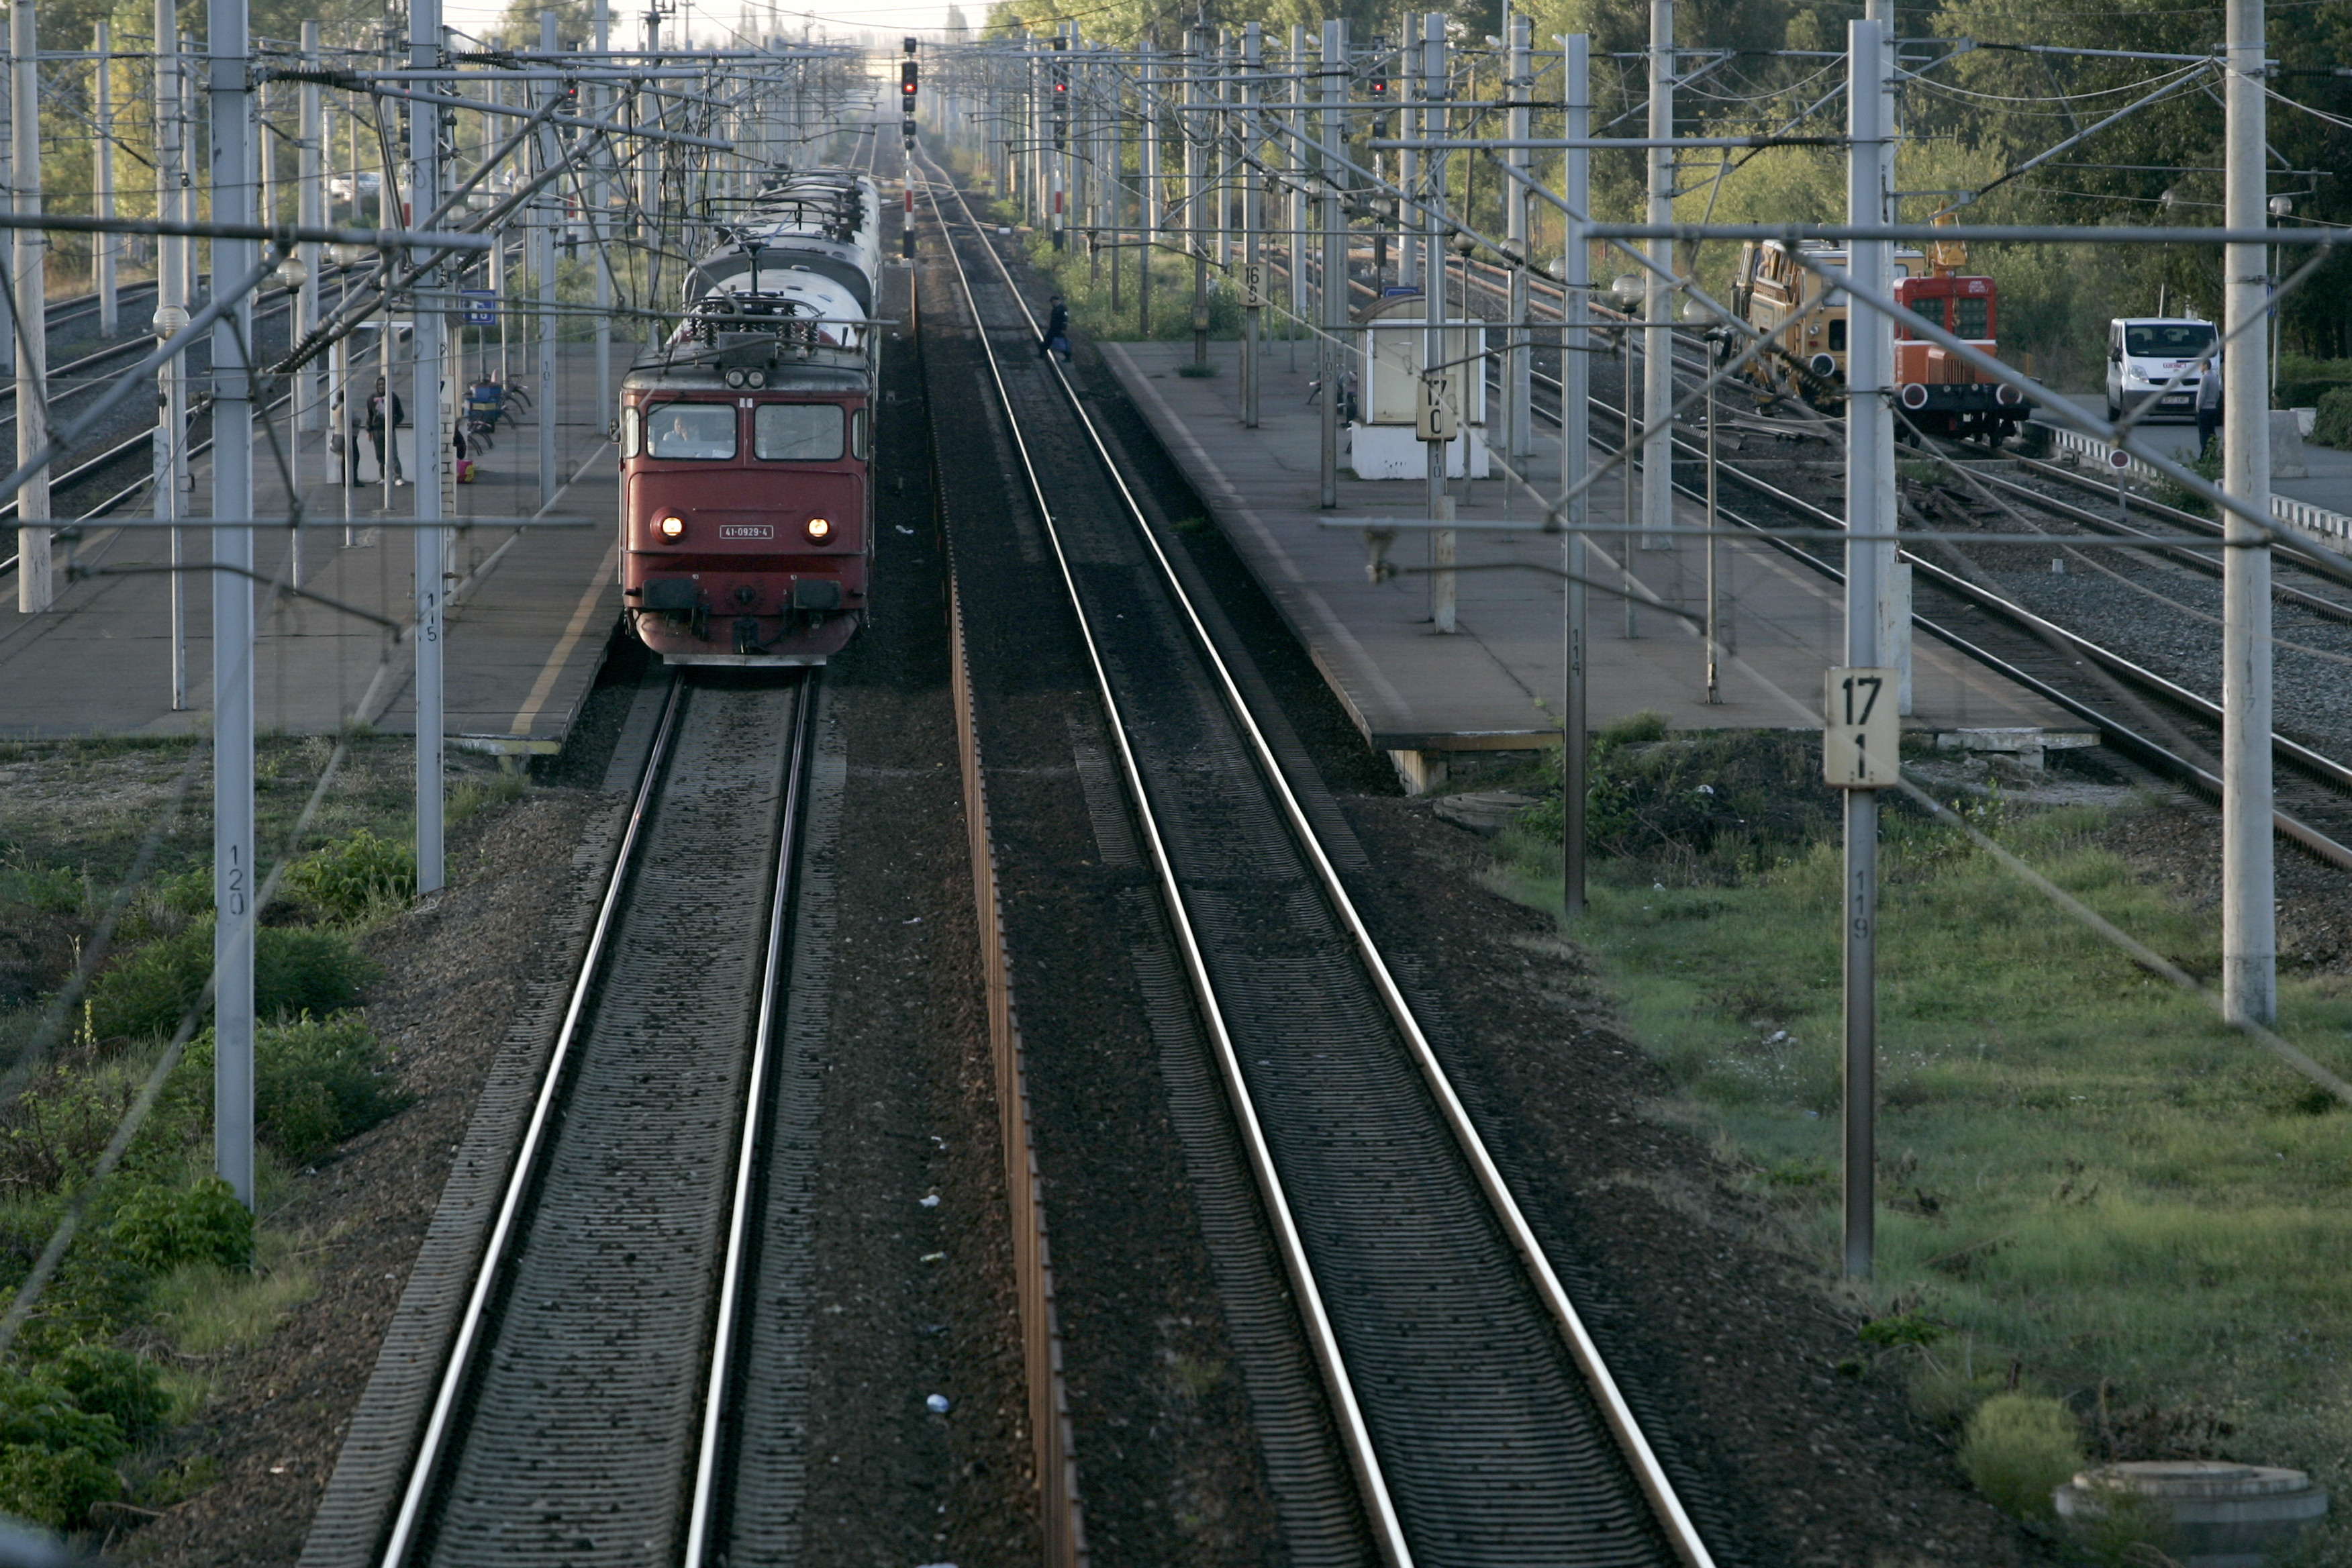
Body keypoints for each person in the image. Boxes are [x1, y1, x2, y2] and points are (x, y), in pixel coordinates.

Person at [366, 376, 407, 485]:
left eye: (383, 384)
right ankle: (383, 477)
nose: (381, 386)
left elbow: (400, 414)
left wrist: (394, 422)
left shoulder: (393, 397)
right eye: (379, 384)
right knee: (380, 456)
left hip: (389, 429)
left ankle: (397, 477)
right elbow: (369, 415)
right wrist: (369, 431)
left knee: (393, 454)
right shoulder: (371, 398)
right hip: (376, 430)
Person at [2195, 348, 2223, 456]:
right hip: (2213, 408)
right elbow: (2217, 394)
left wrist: (2198, 407)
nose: (2199, 367)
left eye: (2201, 365)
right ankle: (2213, 453)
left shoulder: (2205, 378)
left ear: (2205, 366)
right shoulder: (2215, 378)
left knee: (2203, 433)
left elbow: (2201, 395)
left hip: (2204, 409)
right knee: (2212, 432)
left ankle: (2204, 454)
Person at [1037, 294, 1072, 362]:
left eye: (1052, 302)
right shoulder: (1056, 308)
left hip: (1059, 329)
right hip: (1053, 328)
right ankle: (1041, 355)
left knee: (1062, 343)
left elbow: (1065, 320)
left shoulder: (1063, 309)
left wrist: (1064, 329)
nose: (1052, 303)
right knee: (1047, 341)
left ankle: (1068, 357)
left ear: (1055, 301)